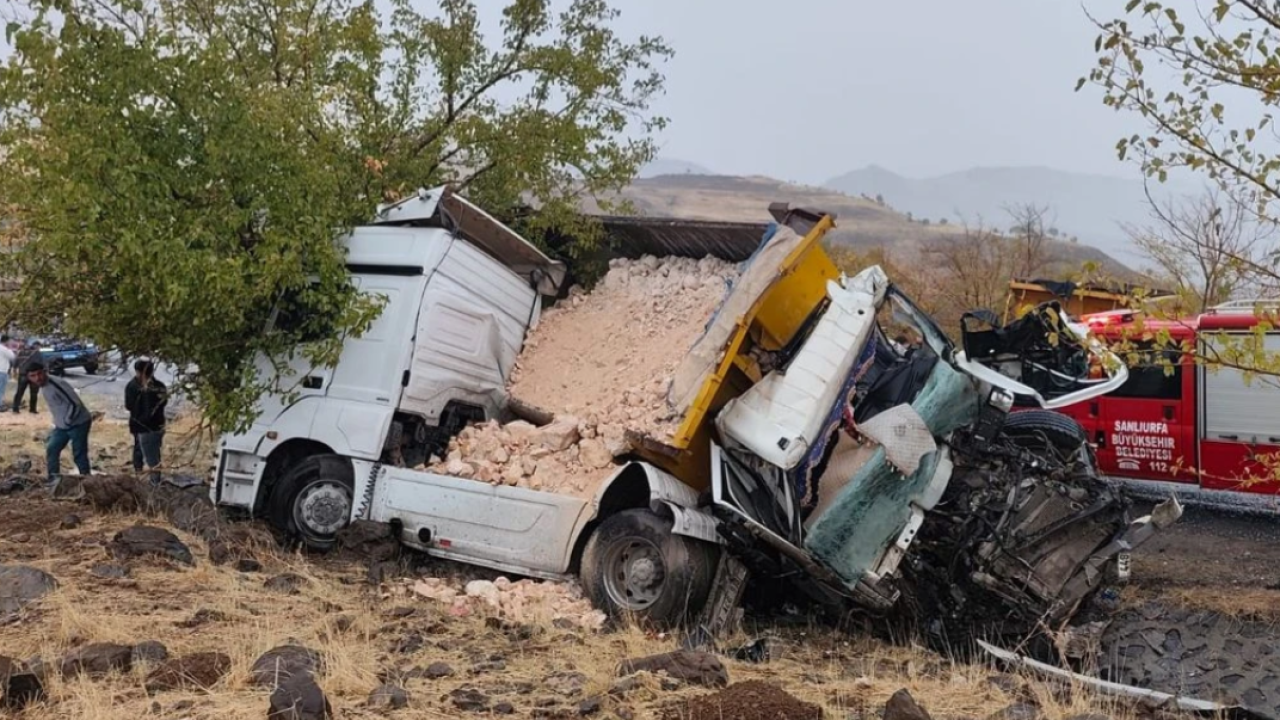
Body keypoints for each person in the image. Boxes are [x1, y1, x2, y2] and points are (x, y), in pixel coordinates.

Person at [26, 360, 93, 488]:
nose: (37, 378)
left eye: (39, 374)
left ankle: (88, 482)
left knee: (79, 453)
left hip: (78, 422)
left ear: (45, 372)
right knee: (52, 448)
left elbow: (75, 404)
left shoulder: (57, 383)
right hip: (62, 426)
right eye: (33, 375)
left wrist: (67, 421)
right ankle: (53, 481)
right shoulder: (43, 386)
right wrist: (59, 423)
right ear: (29, 377)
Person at [125, 360, 167, 482]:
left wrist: (141, 418)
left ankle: (153, 482)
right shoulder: (160, 386)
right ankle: (148, 475)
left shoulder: (135, 387)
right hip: (158, 425)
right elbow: (163, 402)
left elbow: (129, 405)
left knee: (149, 454)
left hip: (144, 427)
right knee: (153, 451)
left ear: (139, 372)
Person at [12, 340, 41, 414]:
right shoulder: (37, 353)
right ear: (38, 346)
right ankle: (32, 409)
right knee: (34, 393)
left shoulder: (21, 352)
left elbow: (15, 364)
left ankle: (15, 409)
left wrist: (15, 373)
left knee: (19, 392)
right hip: (34, 376)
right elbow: (42, 365)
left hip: (23, 375)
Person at [0, 336, 15, 407]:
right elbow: (12, 357)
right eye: (9, 341)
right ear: (6, 341)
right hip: (2, 371)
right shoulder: (4, 349)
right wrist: (10, 347)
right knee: (1, 389)